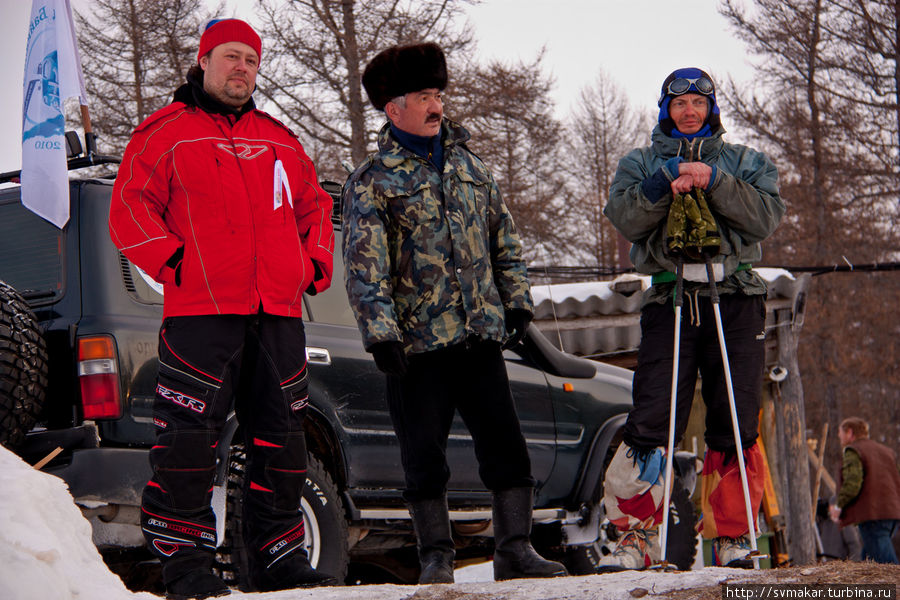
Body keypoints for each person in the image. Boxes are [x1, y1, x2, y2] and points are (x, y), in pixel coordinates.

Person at [108, 18, 336, 598]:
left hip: (279, 314)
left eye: (251, 61)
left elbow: (316, 208)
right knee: (188, 441)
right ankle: (186, 567)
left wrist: (310, 266)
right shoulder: (164, 133)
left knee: (283, 438)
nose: (242, 69)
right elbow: (129, 209)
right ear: (205, 61)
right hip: (200, 315)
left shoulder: (281, 139)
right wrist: (176, 263)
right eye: (231, 57)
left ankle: (279, 560)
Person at [342, 42, 567, 584]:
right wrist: (381, 336)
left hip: (479, 336)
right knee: (423, 455)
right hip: (417, 346)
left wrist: (515, 303)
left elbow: (505, 240)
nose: (436, 105)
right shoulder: (372, 180)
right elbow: (363, 268)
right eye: (423, 96)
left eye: (438, 93)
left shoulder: (471, 166)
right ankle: (436, 558)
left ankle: (514, 549)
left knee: (506, 446)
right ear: (394, 109)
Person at [600, 68, 785, 571]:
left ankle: (734, 537)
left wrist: (716, 181)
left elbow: (766, 217)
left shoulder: (746, 161)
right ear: (665, 109)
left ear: (711, 109)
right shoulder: (639, 163)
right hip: (670, 296)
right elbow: (624, 216)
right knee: (654, 416)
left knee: (737, 417)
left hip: (735, 298)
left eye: (698, 104)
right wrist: (665, 181)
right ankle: (632, 536)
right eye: (679, 103)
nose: (689, 111)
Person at [829, 418, 900, 564]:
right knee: (869, 562)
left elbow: (852, 483)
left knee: (887, 566)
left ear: (850, 432)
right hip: (893, 513)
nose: (839, 437)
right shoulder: (886, 451)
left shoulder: (854, 450)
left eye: (840, 433)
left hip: (873, 514)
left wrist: (838, 505)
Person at [815, 497, 862, 562]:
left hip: (839, 563)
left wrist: (854, 563)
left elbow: (853, 544)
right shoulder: (822, 522)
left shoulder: (845, 522)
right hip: (825, 562)